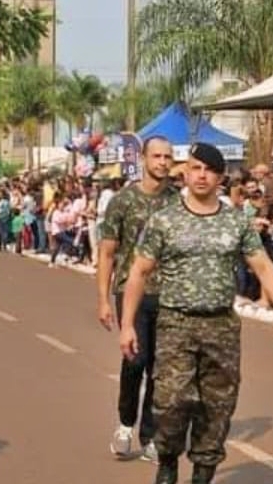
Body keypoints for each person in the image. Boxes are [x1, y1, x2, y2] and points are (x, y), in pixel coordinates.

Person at [119, 143, 273, 484]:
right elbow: (138, 271)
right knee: (170, 403)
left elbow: (262, 266)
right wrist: (127, 324)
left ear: (220, 178)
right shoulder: (166, 220)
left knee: (217, 407)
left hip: (221, 326)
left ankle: (202, 482)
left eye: (209, 170)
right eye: (196, 168)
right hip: (176, 323)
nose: (201, 175)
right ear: (186, 173)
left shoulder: (235, 221)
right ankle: (167, 468)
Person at [96, 136, 177, 461]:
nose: (163, 162)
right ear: (143, 158)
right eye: (157, 156)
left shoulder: (177, 202)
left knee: (160, 368)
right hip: (131, 291)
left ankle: (150, 435)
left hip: (169, 293)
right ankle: (125, 424)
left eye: (168, 157)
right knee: (136, 360)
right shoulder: (122, 201)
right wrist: (103, 299)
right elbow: (107, 252)